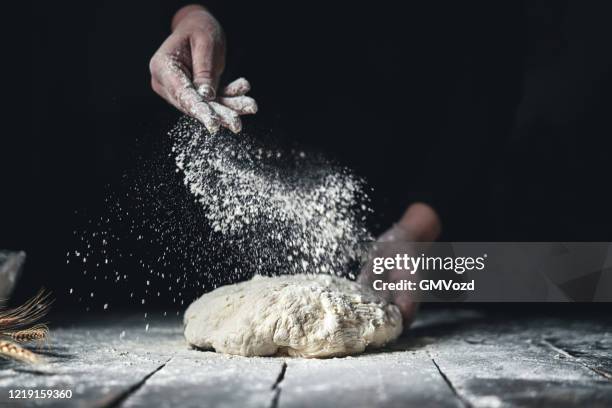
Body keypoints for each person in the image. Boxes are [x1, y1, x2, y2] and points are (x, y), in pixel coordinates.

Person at [150, 4, 441, 326]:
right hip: (234, 125)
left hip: (398, 199)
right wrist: (192, 15)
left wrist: (417, 228)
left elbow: (483, 75)